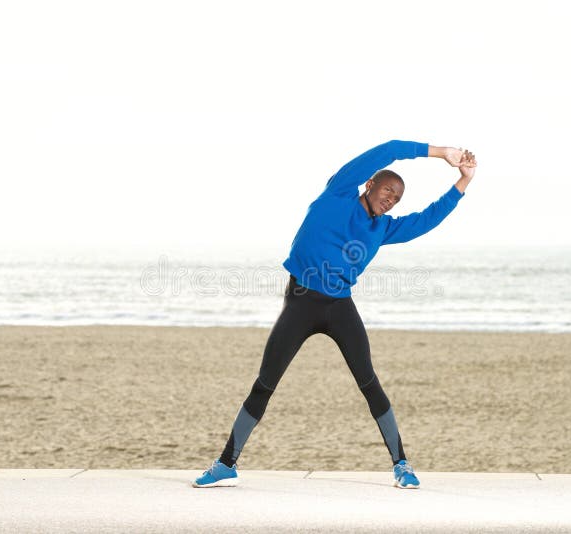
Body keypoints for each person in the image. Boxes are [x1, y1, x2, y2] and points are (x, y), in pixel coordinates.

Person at [193, 140, 477, 489]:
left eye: (397, 199)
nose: (391, 200)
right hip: (300, 302)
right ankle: (226, 464)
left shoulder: (383, 228)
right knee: (265, 383)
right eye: (388, 190)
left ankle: (401, 465)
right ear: (370, 184)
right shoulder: (339, 193)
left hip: (340, 306)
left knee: (369, 382)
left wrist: (463, 181)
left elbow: (428, 219)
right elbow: (387, 149)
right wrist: (440, 153)